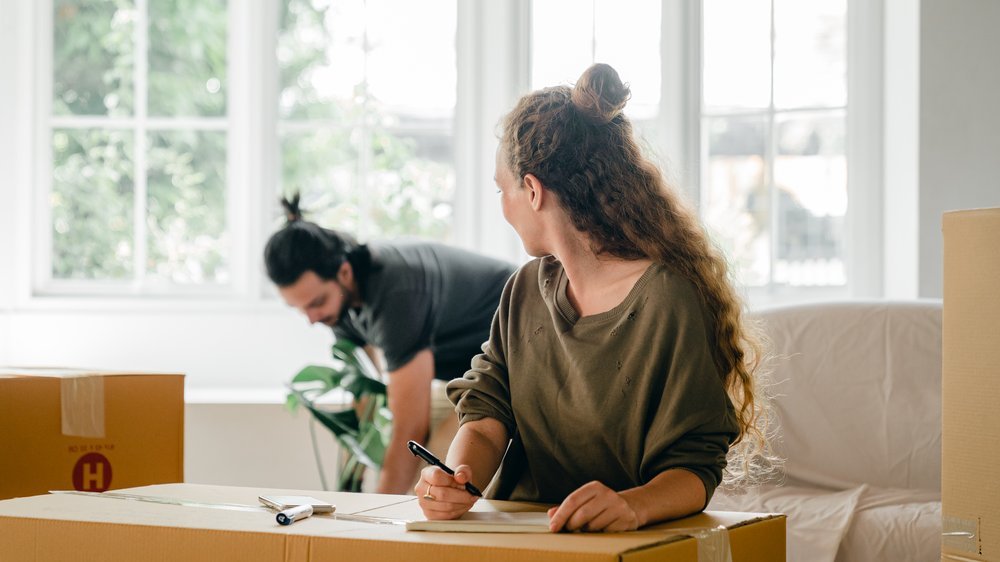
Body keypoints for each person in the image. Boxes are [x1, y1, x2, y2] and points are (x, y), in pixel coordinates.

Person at [415, 63, 769, 532]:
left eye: (503, 190)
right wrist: (456, 480)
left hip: (620, 544)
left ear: (533, 191)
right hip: (518, 541)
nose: (503, 207)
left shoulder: (668, 299)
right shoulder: (524, 289)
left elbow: (695, 469)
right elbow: (485, 412)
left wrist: (633, 505)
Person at [264, 195, 517, 494]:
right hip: (463, 372)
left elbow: (411, 427)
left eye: (316, 303)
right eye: (301, 309)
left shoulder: (396, 292)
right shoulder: (339, 304)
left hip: (514, 357)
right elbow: (368, 390)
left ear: (344, 272)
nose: (312, 319)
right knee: (415, 473)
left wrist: (371, 518)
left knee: (438, 477)